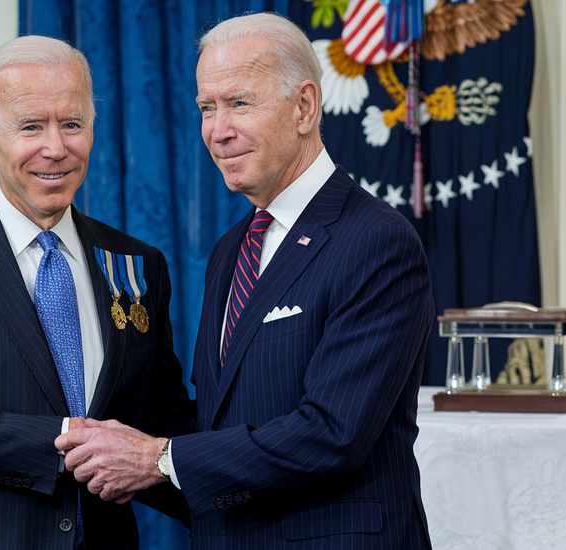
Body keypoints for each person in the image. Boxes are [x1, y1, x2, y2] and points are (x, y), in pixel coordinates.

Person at [57, 13, 435, 549]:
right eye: (207, 109)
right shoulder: (230, 250)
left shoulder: (377, 242)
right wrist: (122, 458)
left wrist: (156, 459)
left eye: (239, 103)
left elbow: (334, 434)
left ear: (304, 107)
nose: (217, 130)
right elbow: (220, 423)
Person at [0, 35, 195, 550]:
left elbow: (157, 417)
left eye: (72, 124)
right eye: (31, 126)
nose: (56, 147)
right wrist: (76, 441)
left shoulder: (139, 264)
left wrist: (228, 484)